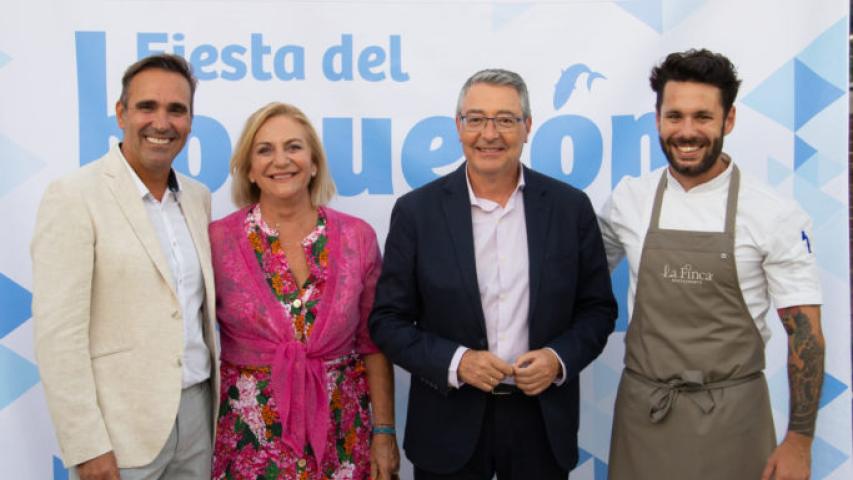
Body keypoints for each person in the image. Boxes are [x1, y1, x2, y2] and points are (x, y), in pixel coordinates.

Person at [369, 69, 617, 479]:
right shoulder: (417, 213)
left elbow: (597, 310)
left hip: (541, 428)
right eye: (476, 119)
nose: (490, 134)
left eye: (505, 119)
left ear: (527, 127)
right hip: (448, 429)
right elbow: (388, 322)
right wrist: (458, 362)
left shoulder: (569, 208)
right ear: (458, 126)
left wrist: (557, 360)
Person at [600, 49, 825, 480]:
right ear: (657, 119)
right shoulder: (628, 200)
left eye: (703, 117)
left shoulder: (773, 213)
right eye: (675, 116)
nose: (687, 131)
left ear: (729, 120)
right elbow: (574, 277)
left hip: (734, 420)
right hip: (644, 414)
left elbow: (806, 334)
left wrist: (799, 442)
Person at [31, 54, 219, 479]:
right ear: (121, 113)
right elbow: (59, 337)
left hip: (197, 418)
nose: (161, 123)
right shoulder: (74, 196)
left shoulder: (197, 198)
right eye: (147, 106)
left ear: (190, 121)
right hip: (120, 433)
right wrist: (87, 447)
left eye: (176, 110)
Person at [209, 102, 400, 479]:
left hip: (343, 439)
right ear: (250, 169)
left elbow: (373, 343)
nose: (281, 160)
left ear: (314, 163)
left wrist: (384, 433)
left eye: (294, 147)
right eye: (265, 150)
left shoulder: (357, 238)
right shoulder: (218, 240)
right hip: (250, 443)